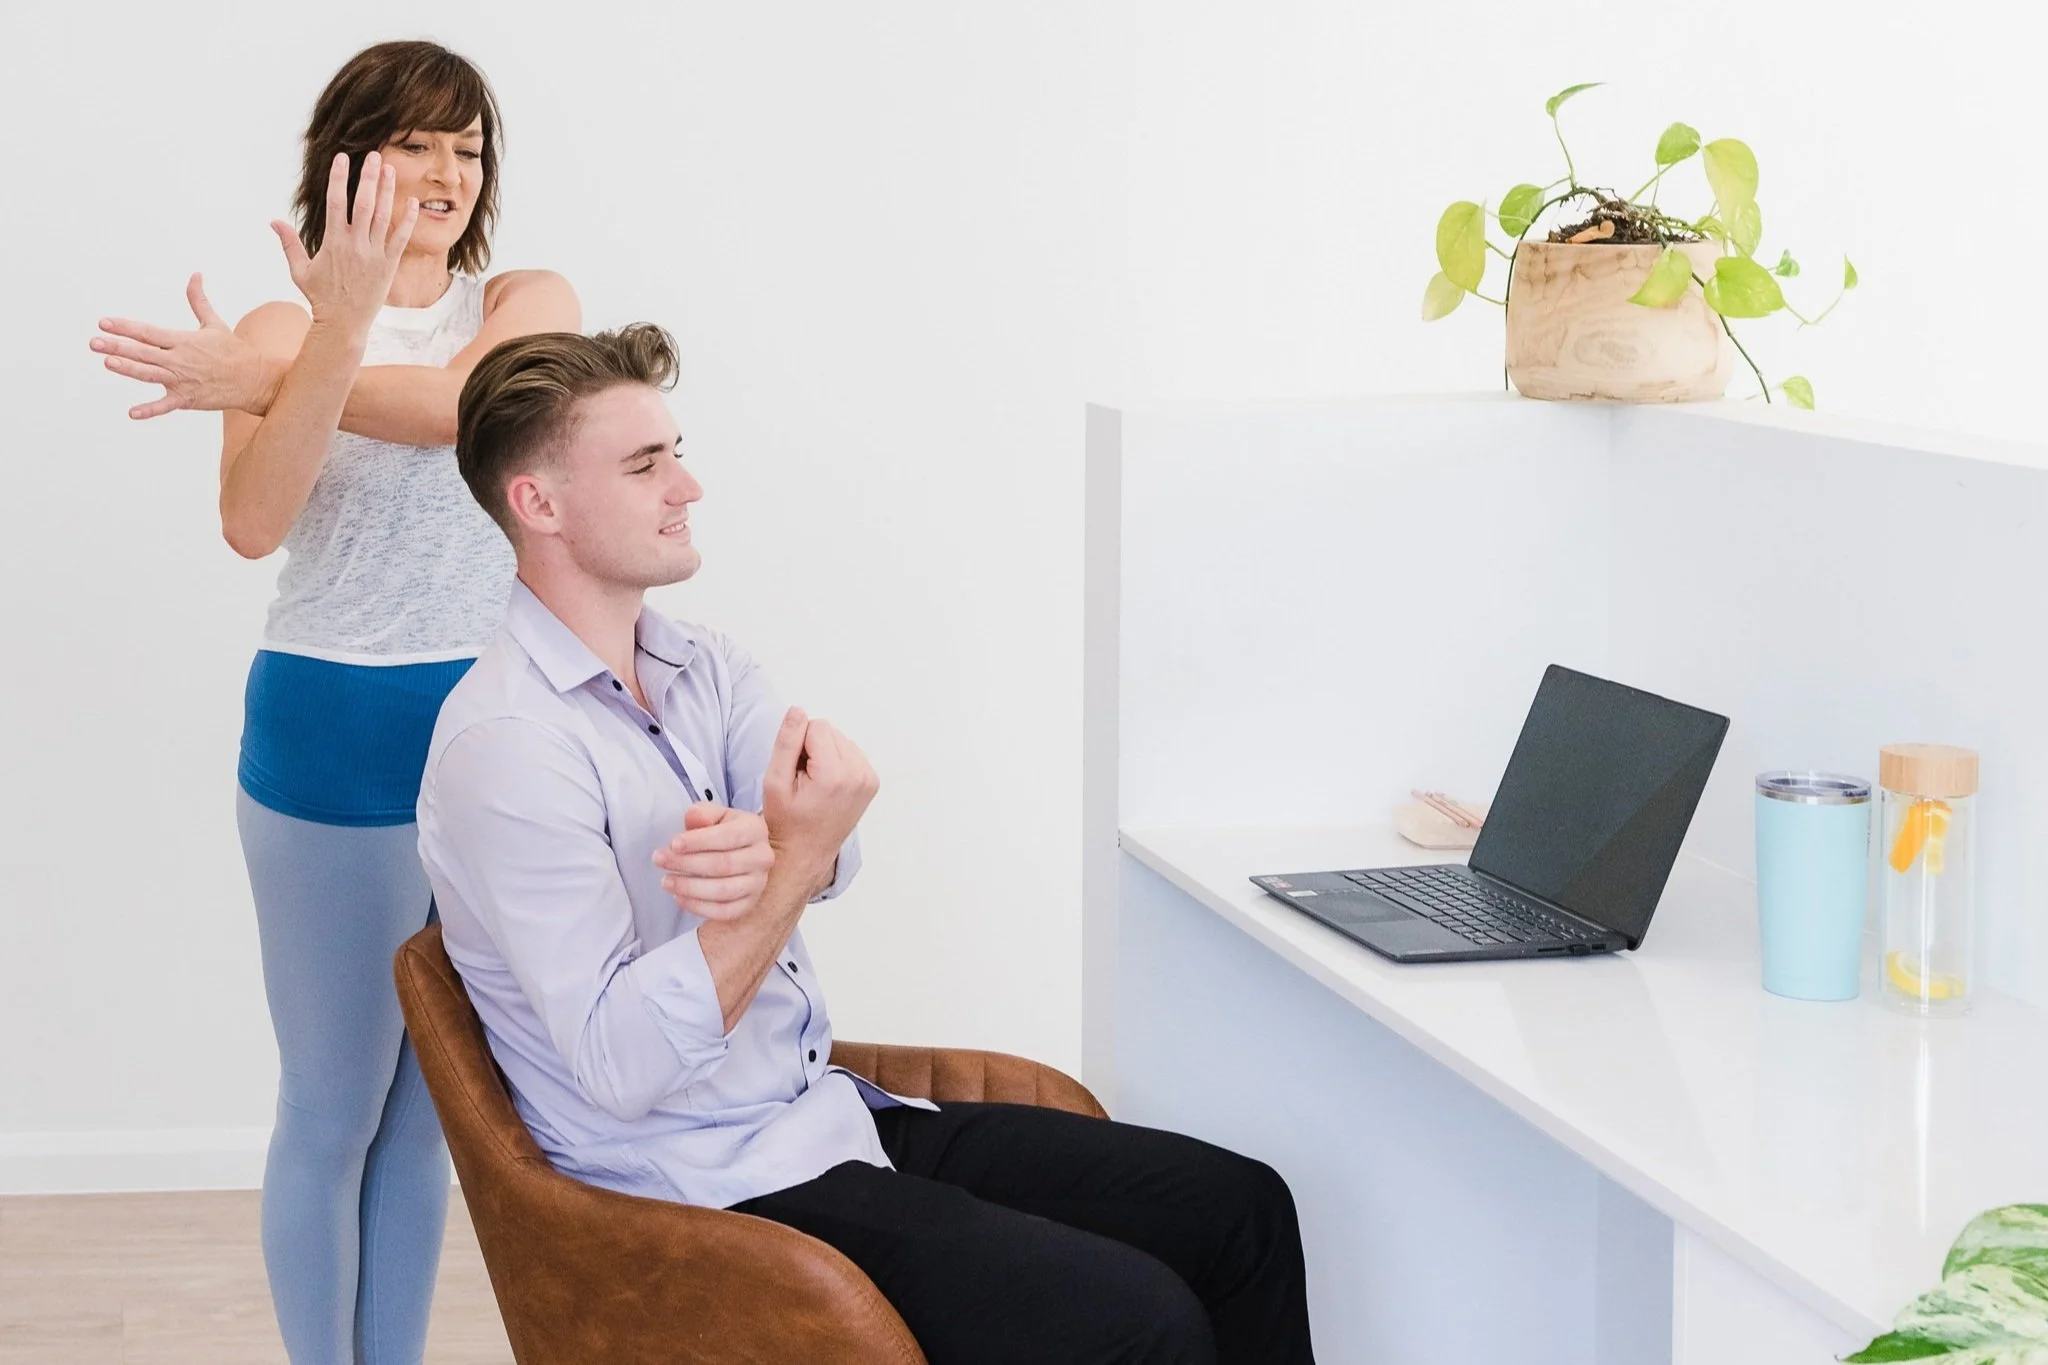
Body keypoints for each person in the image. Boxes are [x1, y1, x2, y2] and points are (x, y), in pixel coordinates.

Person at [415, 323, 1317, 1364]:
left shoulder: (702, 666)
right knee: (1134, 1319)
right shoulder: (508, 748)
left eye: (676, 450)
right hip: (698, 1182)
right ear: (539, 505)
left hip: (822, 1113)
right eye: (645, 463)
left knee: (1239, 1210)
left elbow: (835, 839)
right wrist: (785, 862)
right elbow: (623, 1065)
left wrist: (784, 854)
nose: (687, 485)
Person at [88, 41, 580, 1365]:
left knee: (429, 1114)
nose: (446, 173)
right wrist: (323, 337)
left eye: (468, 149)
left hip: (488, 736)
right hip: (333, 730)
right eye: (417, 143)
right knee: (332, 1103)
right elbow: (256, 522)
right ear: (348, 160)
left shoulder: (528, 300)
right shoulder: (278, 328)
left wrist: (279, 384)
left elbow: (468, 411)